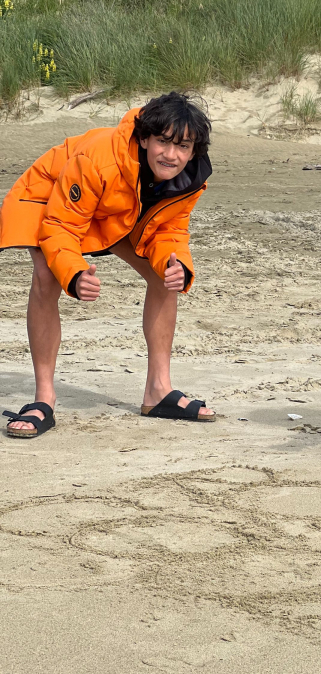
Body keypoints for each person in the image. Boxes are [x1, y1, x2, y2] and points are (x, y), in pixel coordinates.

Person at [0, 91, 216, 438]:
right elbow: (61, 227)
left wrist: (178, 266)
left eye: (183, 146)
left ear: (193, 151)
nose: (172, 155)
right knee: (46, 275)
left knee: (167, 274)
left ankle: (158, 391)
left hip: (111, 210)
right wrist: (74, 273)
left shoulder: (190, 179)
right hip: (49, 196)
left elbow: (170, 230)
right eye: (163, 142)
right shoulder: (100, 158)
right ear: (144, 138)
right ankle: (44, 399)